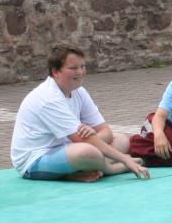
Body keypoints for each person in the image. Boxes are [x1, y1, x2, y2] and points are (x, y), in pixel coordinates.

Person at [11, 44, 148, 181]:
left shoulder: (78, 91)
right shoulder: (48, 98)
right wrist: (125, 160)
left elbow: (105, 130)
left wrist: (93, 135)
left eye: (82, 66)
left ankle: (86, 169)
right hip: (34, 161)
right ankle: (110, 169)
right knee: (87, 152)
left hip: (67, 148)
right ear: (56, 72)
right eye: (73, 68)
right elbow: (83, 140)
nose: (80, 72)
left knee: (122, 140)